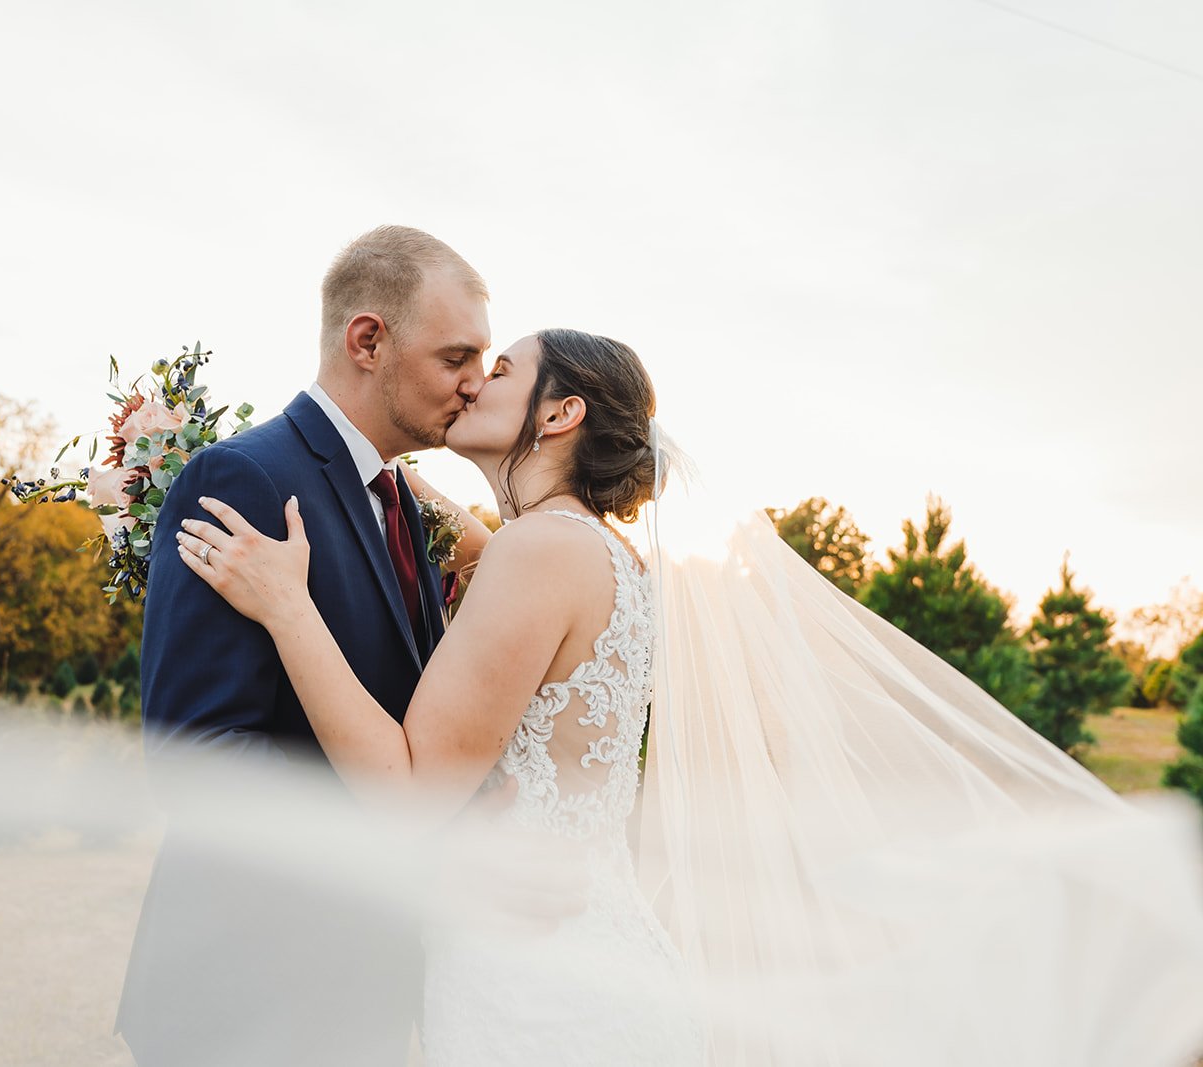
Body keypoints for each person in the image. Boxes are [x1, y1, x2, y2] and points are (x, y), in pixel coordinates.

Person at [176, 328, 1203, 1066]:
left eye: (502, 369)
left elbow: (407, 786)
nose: (474, 381)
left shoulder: (538, 551)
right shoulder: (597, 554)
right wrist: (184, 453)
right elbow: (389, 503)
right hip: (585, 949)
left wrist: (284, 602)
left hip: (535, 988)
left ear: (561, 409)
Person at [113, 224, 492, 1066]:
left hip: (357, 997)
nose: (475, 385)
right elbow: (198, 761)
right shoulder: (244, 478)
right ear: (368, 339)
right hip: (251, 1002)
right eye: (456, 357)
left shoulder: (398, 500)